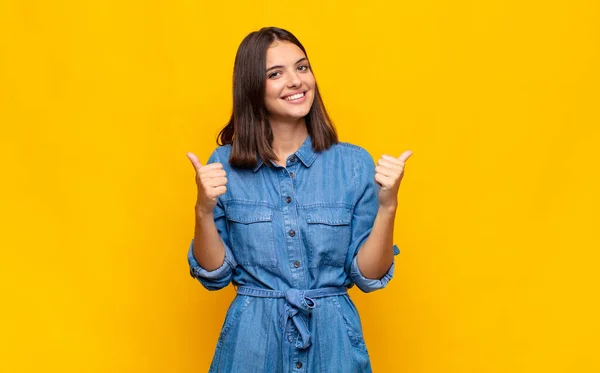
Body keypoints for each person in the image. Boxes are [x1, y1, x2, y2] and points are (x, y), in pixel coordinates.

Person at [185, 26, 412, 373]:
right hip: (252, 345)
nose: (295, 81)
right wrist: (203, 209)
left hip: (333, 345)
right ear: (252, 88)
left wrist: (388, 206)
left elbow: (369, 275)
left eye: (301, 67)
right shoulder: (223, 165)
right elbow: (213, 275)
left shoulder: (353, 164)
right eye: (275, 74)